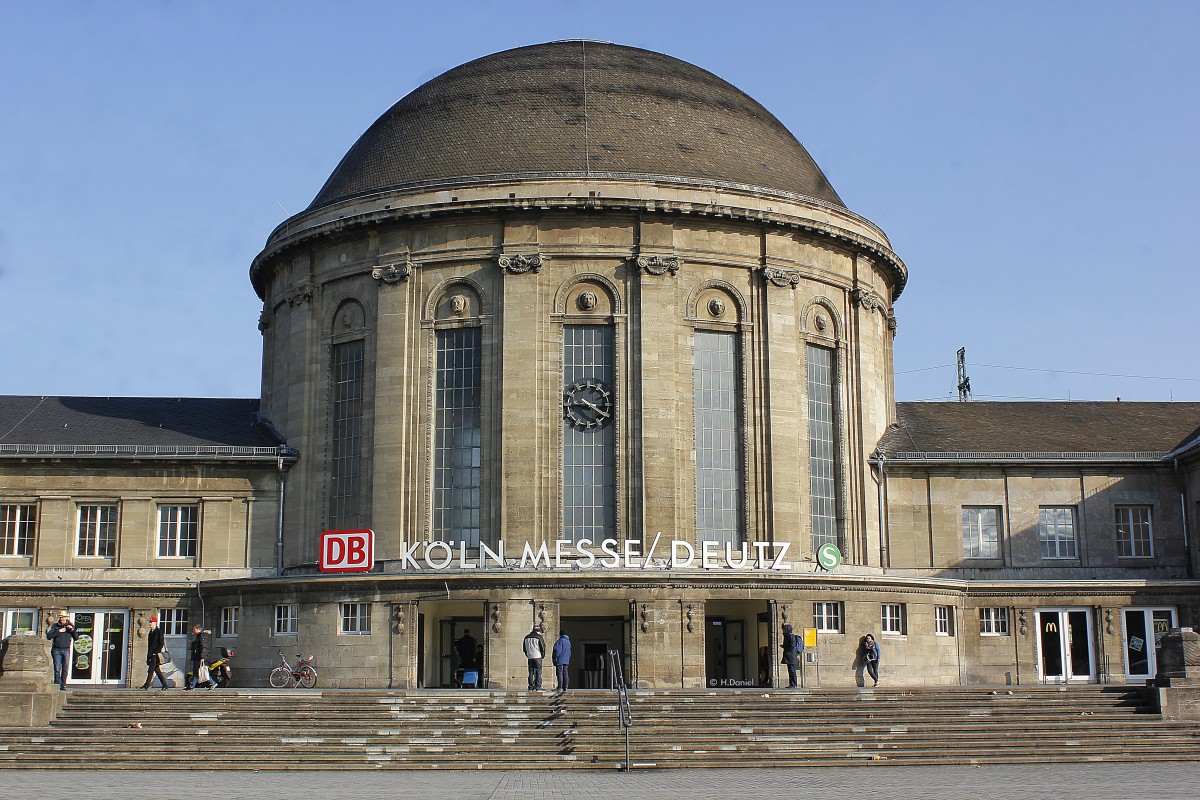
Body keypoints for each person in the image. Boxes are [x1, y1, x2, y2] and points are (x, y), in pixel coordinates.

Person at [45, 613, 79, 690]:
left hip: (66, 649)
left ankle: (63, 685)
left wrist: (72, 630)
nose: (61, 619)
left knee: (65, 668)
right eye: (60, 617)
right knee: (57, 668)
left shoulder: (70, 627)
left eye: (63, 617)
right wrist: (58, 631)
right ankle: (57, 685)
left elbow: (76, 638)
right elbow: (49, 636)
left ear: (67, 618)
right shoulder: (55, 626)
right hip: (57, 649)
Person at [139, 616, 169, 690]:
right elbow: (150, 645)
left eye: (151, 622)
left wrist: (156, 652)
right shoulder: (151, 632)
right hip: (151, 654)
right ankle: (165, 685)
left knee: (150, 670)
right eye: (149, 622)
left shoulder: (158, 631)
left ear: (155, 623)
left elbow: (161, 643)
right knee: (157, 670)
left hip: (155, 654)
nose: (150, 624)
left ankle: (147, 685)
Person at [186, 624, 214, 690]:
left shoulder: (202, 636)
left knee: (201, 671)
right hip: (196, 656)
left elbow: (204, 647)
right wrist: (193, 644)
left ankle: (212, 682)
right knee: (196, 672)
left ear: (198, 629)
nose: (193, 630)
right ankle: (192, 686)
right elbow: (197, 646)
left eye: (194, 629)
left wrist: (202, 657)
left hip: (199, 657)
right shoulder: (198, 636)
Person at [780, 624, 800, 688]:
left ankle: (794, 684)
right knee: (790, 671)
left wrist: (785, 647)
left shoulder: (791, 636)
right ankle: (791, 684)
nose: (783, 631)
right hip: (789, 656)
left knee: (792, 671)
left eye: (784, 629)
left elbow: (792, 646)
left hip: (791, 656)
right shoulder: (787, 636)